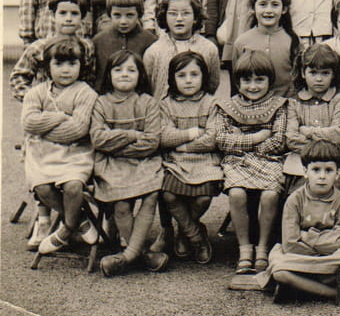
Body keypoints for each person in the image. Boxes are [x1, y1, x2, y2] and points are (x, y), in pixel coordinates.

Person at [91, 50, 167, 276]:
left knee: (151, 194)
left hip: (144, 161)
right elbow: (98, 139)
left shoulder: (148, 103)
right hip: (111, 164)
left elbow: (151, 142)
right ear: (109, 74)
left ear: (140, 75)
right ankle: (141, 254)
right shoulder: (101, 103)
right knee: (122, 204)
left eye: (131, 70)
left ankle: (127, 256)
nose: (124, 74)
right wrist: (132, 135)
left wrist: (116, 142)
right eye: (118, 70)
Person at [213, 50, 289, 276]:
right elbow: (222, 140)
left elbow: (278, 140)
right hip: (237, 162)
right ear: (238, 82)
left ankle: (262, 247)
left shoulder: (279, 105)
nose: (253, 86)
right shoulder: (227, 106)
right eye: (247, 80)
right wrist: (257, 138)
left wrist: (241, 140)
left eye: (259, 80)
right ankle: (244, 248)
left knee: (270, 195)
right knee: (237, 193)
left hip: (269, 160)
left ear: (269, 81)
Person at [22, 37, 99, 254]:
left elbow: (77, 129)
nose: (66, 70)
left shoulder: (86, 93)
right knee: (42, 188)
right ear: (48, 66)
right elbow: (28, 122)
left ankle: (65, 230)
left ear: (81, 66)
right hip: (42, 153)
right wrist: (60, 116)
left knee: (73, 186)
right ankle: (80, 220)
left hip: (75, 153)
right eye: (59, 64)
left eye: (72, 64)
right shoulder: (36, 92)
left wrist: (44, 127)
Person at [266, 140, 340, 302]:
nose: (322, 176)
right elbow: (290, 243)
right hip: (301, 256)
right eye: (316, 170)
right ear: (305, 172)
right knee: (279, 270)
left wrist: (307, 236)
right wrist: (322, 245)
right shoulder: (295, 199)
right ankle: (333, 293)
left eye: (329, 170)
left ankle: (301, 287)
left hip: (330, 257)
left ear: (338, 173)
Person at [159, 52, 222, 264]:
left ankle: (184, 230)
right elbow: (164, 136)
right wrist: (193, 133)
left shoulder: (211, 103)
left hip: (205, 160)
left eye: (194, 74)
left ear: (204, 76)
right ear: (172, 78)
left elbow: (212, 139)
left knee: (203, 197)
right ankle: (196, 236)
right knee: (169, 195)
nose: (188, 80)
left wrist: (182, 145)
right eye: (182, 75)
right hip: (176, 162)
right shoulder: (166, 104)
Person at [11, 0, 96, 102]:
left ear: (82, 17)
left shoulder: (86, 47)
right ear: (52, 15)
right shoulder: (38, 47)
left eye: (74, 13)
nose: (68, 18)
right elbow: (18, 78)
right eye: (62, 13)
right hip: (45, 104)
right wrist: (34, 100)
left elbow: (90, 79)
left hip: (75, 104)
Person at [284, 44, 340, 193]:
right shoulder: (294, 102)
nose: (319, 79)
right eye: (313, 73)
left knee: (333, 190)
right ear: (303, 73)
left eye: (325, 73)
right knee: (297, 194)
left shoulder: (338, 100)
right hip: (300, 161)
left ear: (333, 74)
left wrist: (307, 131)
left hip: (332, 162)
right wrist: (324, 143)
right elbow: (291, 139)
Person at [143, 0, 220, 101]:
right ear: (164, 16)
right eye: (173, 13)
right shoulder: (153, 52)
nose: (179, 18)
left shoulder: (209, 49)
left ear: (195, 17)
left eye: (186, 13)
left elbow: (212, 84)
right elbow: (147, 87)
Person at [232, 0, 300, 97]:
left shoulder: (292, 41)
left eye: (275, 5)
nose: (269, 10)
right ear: (253, 8)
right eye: (263, 4)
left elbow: (298, 80)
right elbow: (237, 82)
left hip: (286, 102)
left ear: (284, 9)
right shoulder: (241, 42)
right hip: (251, 103)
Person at [91, 0, 157, 92]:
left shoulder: (150, 41)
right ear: (109, 14)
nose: (123, 21)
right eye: (117, 15)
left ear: (139, 14)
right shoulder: (99, 41)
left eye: (129, 15)